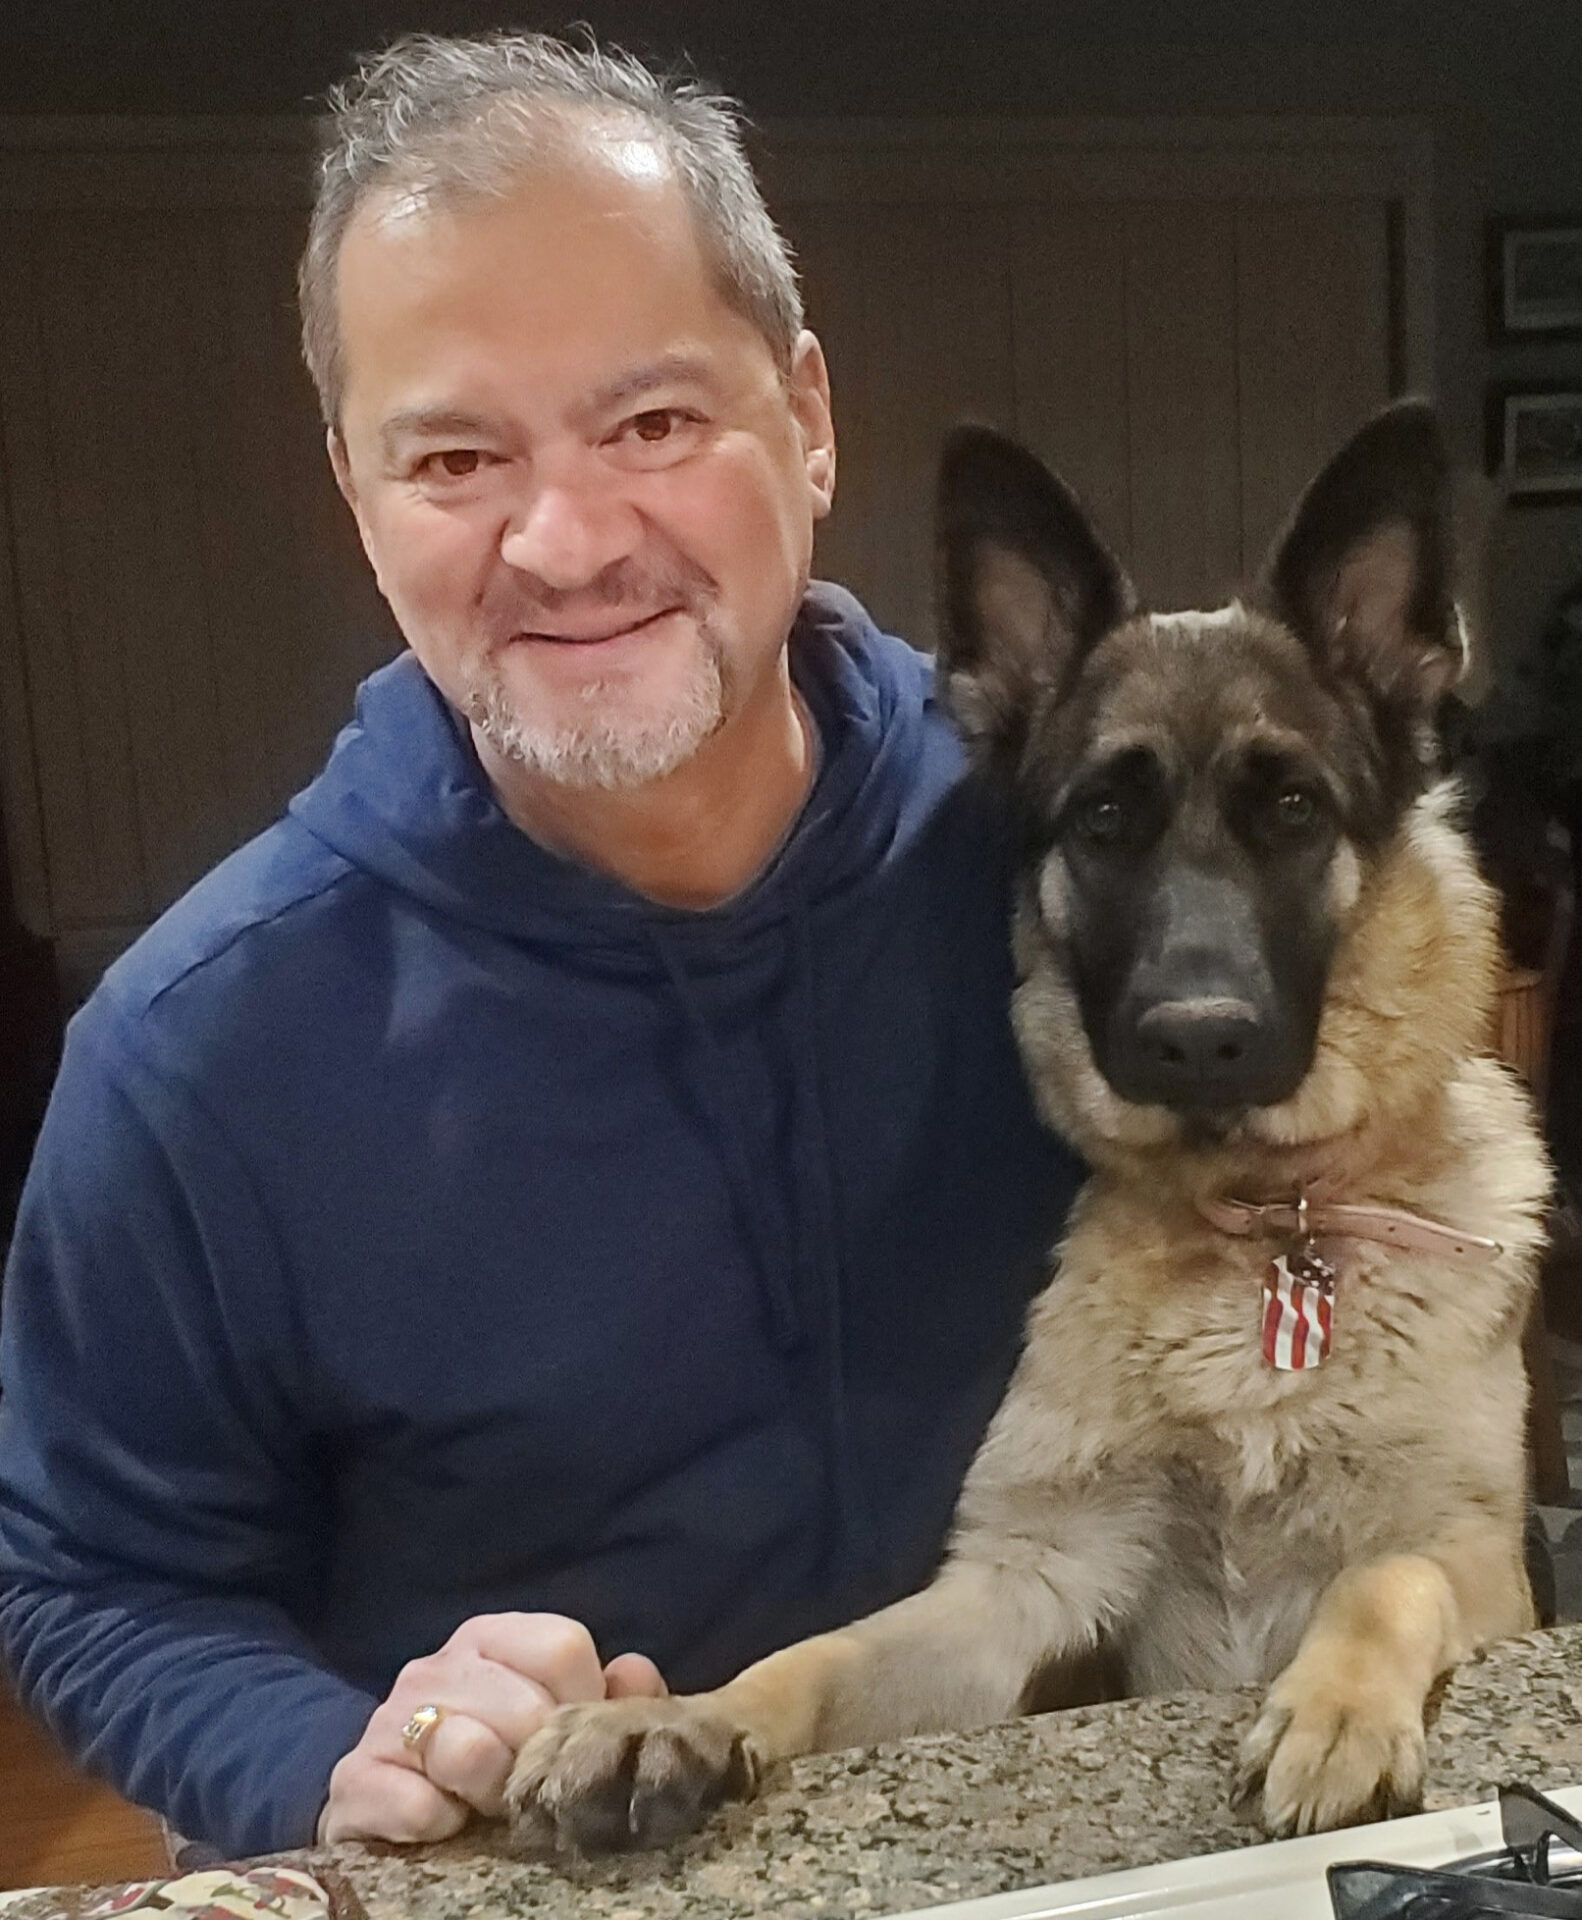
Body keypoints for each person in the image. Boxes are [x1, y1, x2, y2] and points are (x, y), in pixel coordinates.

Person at [0, 32, 1081, 1859]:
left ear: (806, 419)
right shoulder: (197, 1047)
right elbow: (92, 1582)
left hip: (1046, 1834)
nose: (567, 542)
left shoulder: (1064, 855)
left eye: (653, 425)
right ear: (353, 490)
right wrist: (347, 1753)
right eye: (454, 457)